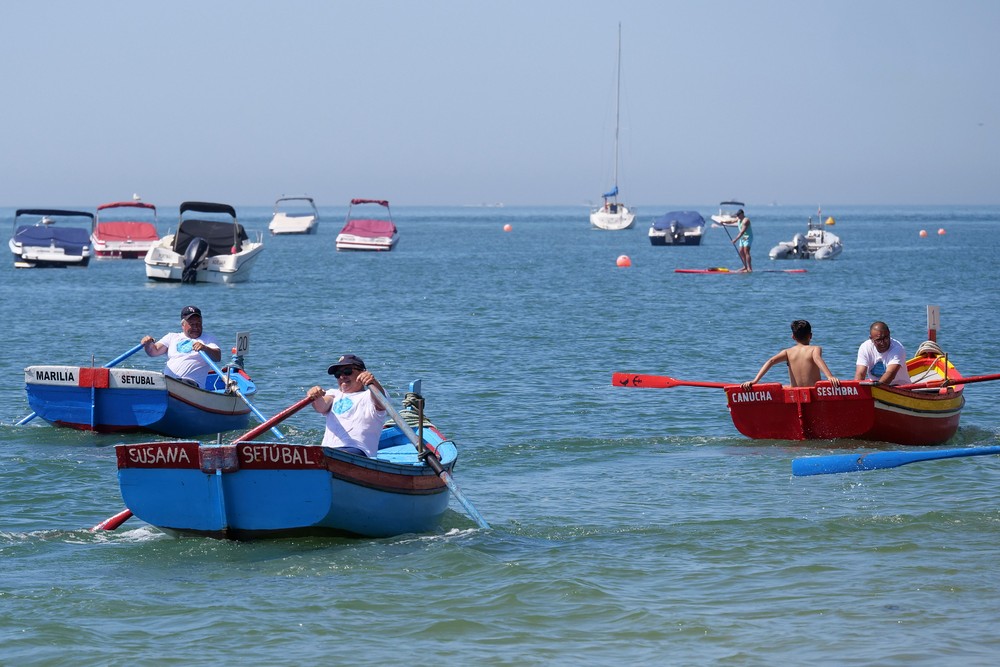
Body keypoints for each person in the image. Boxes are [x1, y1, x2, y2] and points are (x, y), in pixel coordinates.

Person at [306, 354, 387, 457]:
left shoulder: (371, 394)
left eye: (347, 372)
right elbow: (321, 406)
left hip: (359, 451)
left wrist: (372, 382)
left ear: (362, 372)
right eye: (337, 374)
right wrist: (315, 396)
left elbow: (381, 403)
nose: (342, 376)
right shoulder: (334, 394)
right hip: (329, 451)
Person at [742, 320, 840, 389]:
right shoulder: (815, 349)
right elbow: (817, 358)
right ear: (810, 336)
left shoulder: (787, 352)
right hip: (813, 393)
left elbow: (770, 361)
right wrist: (830, 377)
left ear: (793, 337)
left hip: (795, 393)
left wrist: (755, 381)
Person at [141, 305, 222, 387]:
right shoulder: (172, 337)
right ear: (183, 325)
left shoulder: (209, 339)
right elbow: (153, 352)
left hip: (191, 384)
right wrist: (147, 344)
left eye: (198, 323)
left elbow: (217, 357)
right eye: (192, 324)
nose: (196, 327)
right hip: (168, 382)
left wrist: (205, 348)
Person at [854, 321, 910, 386]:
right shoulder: (865, 347)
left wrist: (876, 389)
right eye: (878, 340)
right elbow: (860, 373)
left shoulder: (897, 348)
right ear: (871, 339)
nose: (883, 343)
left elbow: (890, 374)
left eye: (886, 338)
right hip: (876, 387)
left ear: (889, 334)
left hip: (900, 388)